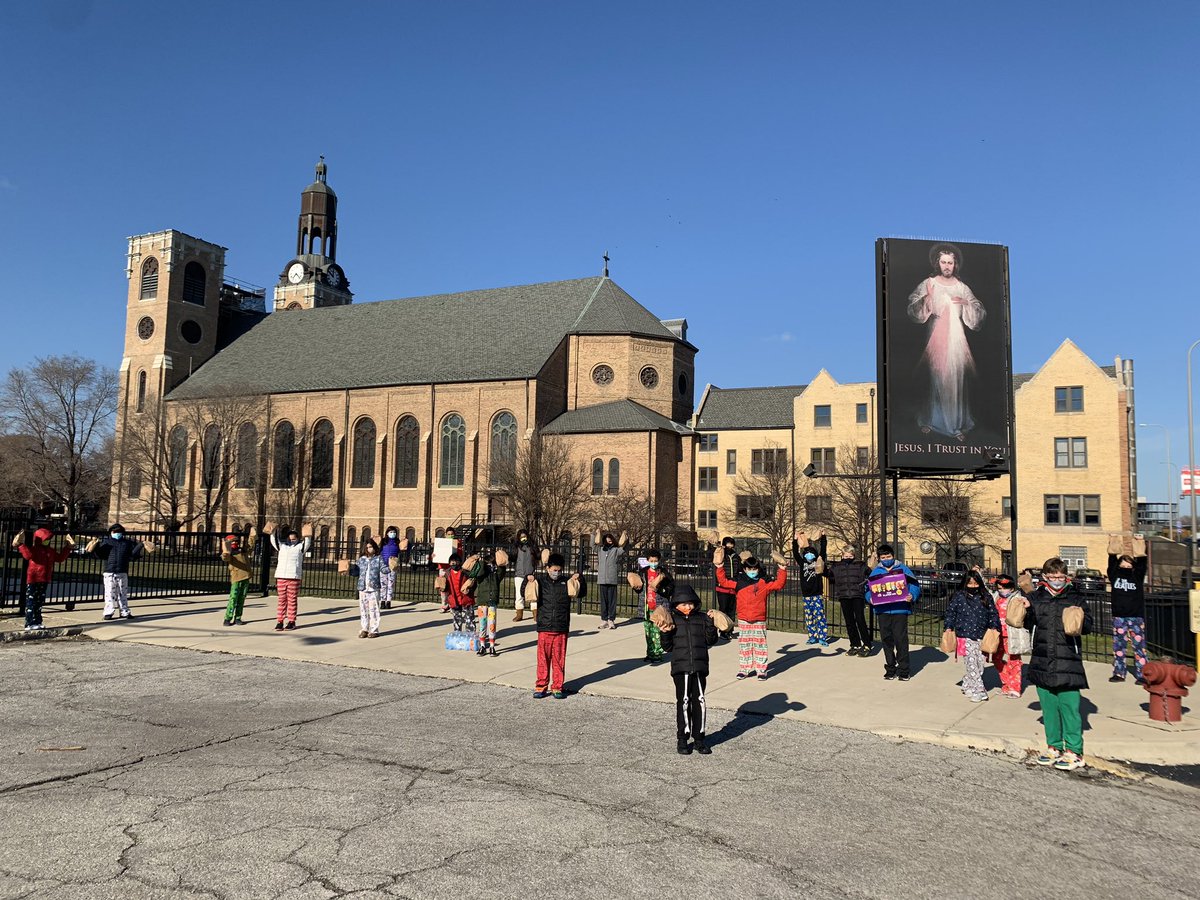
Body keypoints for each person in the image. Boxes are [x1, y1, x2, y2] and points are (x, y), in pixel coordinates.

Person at [1017, 558, 1093, 771]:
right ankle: (1054, 746)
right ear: (1045, 577)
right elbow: (1028, 623)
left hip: (1068, 659)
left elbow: (1087, 626)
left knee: (1069, 708)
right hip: (1043, 659)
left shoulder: (1075, 597)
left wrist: (1079, 617)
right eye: (1052, 577)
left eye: (1060, 577)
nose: (1057, 581)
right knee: (1049, 708)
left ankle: (1074, 751)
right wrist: (1025, 608)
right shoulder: (1036, 597)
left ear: (1066, 577)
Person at [906, 243, 986, 441]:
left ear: (955, 264)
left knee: (956, 378)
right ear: (938, 263)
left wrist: (967, 304)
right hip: (937, 335)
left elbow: (978, 310)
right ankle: (930, 420)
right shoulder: (929, 283)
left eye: (950, 262)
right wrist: (927, 299)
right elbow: (913, 307)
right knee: (936, 377)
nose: (947, 266)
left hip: (957, 337)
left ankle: (955, 425)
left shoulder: (961, 287)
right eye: (943, 262)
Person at [658, 585, 720, 755]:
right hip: (681, 668)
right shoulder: (672, 620)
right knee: (684, 702)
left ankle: (699, 738)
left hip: (699, 667)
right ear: (676, 605)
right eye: (684, 604)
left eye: (691, 604)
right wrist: (665, 633)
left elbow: (711, 640)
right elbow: (667, 647)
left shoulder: (701, 618)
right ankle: (683, 738)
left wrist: (711, 626)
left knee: (700, 701)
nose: (688, 607)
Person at [714, 549, 787, 679]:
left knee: (760, 645)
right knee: (745, 645)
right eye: (749, 569)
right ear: (745, 569)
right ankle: (745, 668)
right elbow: (724, 581)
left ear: (758, 570)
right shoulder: (739, 582)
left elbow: (779, 584)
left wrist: (782, 569)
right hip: (744, 619)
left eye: (754, 569)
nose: (752, 571)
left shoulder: (764, 583)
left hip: (759, 619)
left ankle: (761, 670)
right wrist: (719, 566)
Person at [527, 552, 586, 699]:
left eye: (559, 570)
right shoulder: (540, 582)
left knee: (559, 659)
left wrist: (580, 579)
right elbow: (525, 592)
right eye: (554, 570)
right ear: (547, 568)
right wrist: (527, 580)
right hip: (545, 627)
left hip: (561, 627)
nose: (557, 573)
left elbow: (582, 593)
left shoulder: (566, 582)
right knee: (543, 659)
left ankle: (557, 686)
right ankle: (541, 685)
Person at [865, 544, 921, 681]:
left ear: (893, 556)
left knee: (901, 640)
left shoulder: (903, 569)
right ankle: (890, 668)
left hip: (900, 609)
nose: (886, 559)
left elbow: (915, 585)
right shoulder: (875, 572)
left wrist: (912, 596)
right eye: (883, 557)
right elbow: (867, 590)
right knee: (886, 640)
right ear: (879, 558)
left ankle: (904, 670)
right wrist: (870, 598)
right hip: (882, 610)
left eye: (888, 556)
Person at [943, 569, 1001, 702]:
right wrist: (948, 627)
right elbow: (950, 612)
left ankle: (968, 682)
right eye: (970, 584)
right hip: (964, 634)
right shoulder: (959, 596)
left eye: (976, 584)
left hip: (982, 633)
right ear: (965, 583)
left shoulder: (986, 596)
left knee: (980, 664)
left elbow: (993, 613)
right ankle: (979, 689)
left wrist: (994, 626)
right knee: (971, 662)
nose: (973, 586)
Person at [13, 527, 74, 631]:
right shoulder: (34, 549)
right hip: (33, 579)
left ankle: (37, 621)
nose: (47, 541)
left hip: (44, 579)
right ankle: (29, 622)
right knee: (31, 602)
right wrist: (21, 545)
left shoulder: (50, 551)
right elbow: (27, 556)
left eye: (48, 539)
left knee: (39, 602)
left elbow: (59, 558)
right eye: (46, 539)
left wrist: (68, 548)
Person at [1107, 534, 1148, 684]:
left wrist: (1138, 542)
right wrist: (1114, 541)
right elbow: (1112, 560)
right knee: (1119, 646)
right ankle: (1119, 672)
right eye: (1123, 565)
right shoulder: (1114, 575)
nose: (1125, 567)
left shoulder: (1137, 576)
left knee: (1139, 647)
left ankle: (1143, 674)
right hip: (1119, 617)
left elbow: (1142, 561)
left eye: (1128, 565)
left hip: (1136, 616)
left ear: (1132, 566)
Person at [87, 524, 150, 620]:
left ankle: (124, 611)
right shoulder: (107, 542)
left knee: (122, 593)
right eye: (115, 532)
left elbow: (132, 555)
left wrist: (140, 545)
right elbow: (100, 555)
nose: (117, 534)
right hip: (109, 571)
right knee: (109, 593)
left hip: (122, 571)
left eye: (119, 532)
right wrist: (95, 547)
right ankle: (109, 612)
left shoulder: (126, 543)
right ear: (111, 533)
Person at [267, 523, 312, 630]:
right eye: (290, 538)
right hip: (281, 576)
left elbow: (308, 542)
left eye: (294, 538)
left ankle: (291, 621)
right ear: (287, 538)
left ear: (297, 538)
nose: (292, 540)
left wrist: (308, 533)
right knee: (281, 600)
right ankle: (280, 621)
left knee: (292, 600)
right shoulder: (282, 546)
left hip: (294, 577)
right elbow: (274, 541)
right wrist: (272, 531)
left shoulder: (301, 547)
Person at [827, 545, 871, 656]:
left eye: (850, 556)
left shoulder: (860, 565)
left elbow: (870, 572)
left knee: (860, 619)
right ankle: (854, 644)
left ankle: (866, 644)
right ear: (842, 555)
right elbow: (828, 575)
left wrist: (871, 564)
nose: (848, 557)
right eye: (846, 556)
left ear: (853, 555)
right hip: (844, 595)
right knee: (849, 621)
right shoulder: (836, 566)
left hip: (857, 595)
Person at [989, 573, 1025, 698]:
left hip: (1012, 634)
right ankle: (1007, 683)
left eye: (1005, 588)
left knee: (1014, 660)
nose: (1002, 591)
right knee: (996, 658)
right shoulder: (995, 598)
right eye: (999, 588)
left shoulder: (1017, 598)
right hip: (998, 634)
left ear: (1012, 588)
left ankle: (1015, 688)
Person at [791, 530, 829, 647]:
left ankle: (822, 637)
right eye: (806, 553)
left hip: (816, 593)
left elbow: (823, 550)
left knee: (819, 616)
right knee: (809, 617)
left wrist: (823, 537)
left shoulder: (818, 562)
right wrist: (795, 540)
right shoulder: (802, 563)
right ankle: (812, 636)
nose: (809, 555)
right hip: (806, 595)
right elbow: (795, 553)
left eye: (811, 553)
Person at [471, 549, 506, 656]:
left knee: (492, 624)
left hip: (492, 603)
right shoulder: (481, 576)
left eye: (492, 564)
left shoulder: (496, 576)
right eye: (488, 564)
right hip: (482, 602)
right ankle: (482, 646)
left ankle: (491, 646)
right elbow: (477, 573)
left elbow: (502, 570)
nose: (490, 566)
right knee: (482, 624)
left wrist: (499, 560)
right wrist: (482, 563)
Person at [220, 527, 257, 626]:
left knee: (241, 599)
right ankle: (227, 618)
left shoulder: (242, 550)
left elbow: (250, 546)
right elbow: (225, 558)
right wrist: (225, 552)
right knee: (233, 599)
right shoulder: (229, 553)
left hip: (246, 577)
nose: (235, 543)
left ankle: (238, 617)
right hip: (236, 578)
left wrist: (252, 536)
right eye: (232, 542)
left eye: (236, 541)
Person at [640, 549, 669, 664]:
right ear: (647, 561)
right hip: (647, 607)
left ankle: (657, 654)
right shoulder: (643, 573)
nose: (653, 563)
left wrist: (661, 588)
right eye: (651, 561)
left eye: (655, 561)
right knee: (648, 632)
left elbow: (670, 588)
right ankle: (650, 652)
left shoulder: (663, 573)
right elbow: (640, 589)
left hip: (658, 607)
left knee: (657, 632)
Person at [594, 530, 627, 630]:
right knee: (604, 601)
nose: (609, 542)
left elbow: (625, 547)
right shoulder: (600, 550)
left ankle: (611, 620)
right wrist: (595, 534)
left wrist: (626, 536)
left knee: (612, 601)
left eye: (610, 541)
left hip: (612, 579)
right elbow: (593, 544)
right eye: (607, 541)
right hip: (602, 579)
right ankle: (604, 620)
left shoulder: (616, 550)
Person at [353, 539, 384, 638]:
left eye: (370, 547)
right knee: (363, 610)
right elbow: (356, 571)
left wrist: (392, 567)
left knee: (373, 610)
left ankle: (374, 629)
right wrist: (348, 570)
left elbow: (384, 569)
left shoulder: (378, 559)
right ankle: (364, 629)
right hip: (363, 588)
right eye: (366, 547)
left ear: (374, 548)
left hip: (373, 588)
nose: (368, 549)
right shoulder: (362, 559)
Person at [712, 536, 739, 640]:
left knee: (732, 610)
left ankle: (730, 630)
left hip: (733, 586)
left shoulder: (735, 556)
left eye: (732, 544)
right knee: (723, 609)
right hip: (722, 587)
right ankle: (723, 631)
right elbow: (713, 555)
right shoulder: (721, 553)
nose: (730, 546)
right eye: (728, 544)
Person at [444, 553, 477, 633]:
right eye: (452, 563)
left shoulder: (465, 572)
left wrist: (470, 589)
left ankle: (470, 636)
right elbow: (445, 588)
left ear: (460, 563)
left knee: (469, 620)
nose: (455, 564)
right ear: (449, 563)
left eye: (457, 562)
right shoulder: (447, 573)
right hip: (454, 600)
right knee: (456, 621)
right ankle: (457, 636)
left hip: (466, 600)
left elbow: (473, 583)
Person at [511, 529, 538, 622]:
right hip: (519, 574)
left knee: (532, 595)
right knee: (519, 595)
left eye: (524, 536)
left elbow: (538, 557)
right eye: (521, 537)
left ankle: (535, 614)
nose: (523, 538)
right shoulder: (516, 547)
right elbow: (512, 558)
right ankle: (519, 614)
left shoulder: (532, 547)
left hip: (530, 574)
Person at [378, 525, 402, 609]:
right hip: (384, 564)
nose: (392, 533)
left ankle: (388, 601)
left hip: (393, 564)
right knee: (383, 584)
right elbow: (378, 550)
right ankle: (382, 601)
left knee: (390, 584)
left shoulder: (397, 542)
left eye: (394, 532)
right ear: (387, 533)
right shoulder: (383, 541)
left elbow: (404, 549)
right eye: (391, 532)